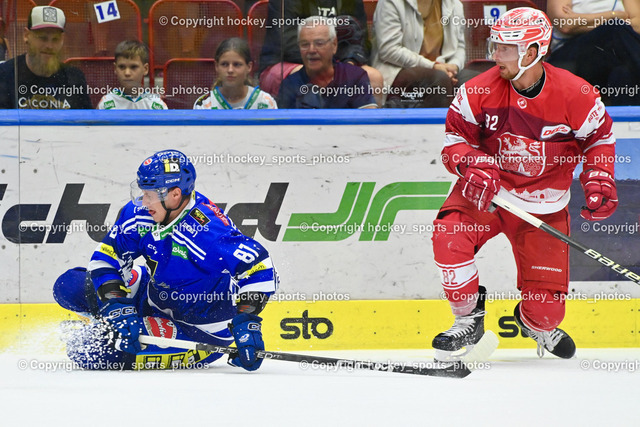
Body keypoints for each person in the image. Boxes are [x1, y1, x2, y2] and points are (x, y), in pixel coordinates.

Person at [430, 8, 617, 361]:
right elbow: (454, 138)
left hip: (545, 204)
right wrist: (471, 162)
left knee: (548, 314)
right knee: (449, 235)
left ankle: (534, 323)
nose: (495, 55)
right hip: (489, 194)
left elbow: (599, 138)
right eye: (495, 45)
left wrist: (600, 177)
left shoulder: (575, 94)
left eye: (505, 48)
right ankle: (467, 318)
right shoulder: (477, 91)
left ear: (532, 52)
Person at [53, 149, 279, 370]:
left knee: (87, 349)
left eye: (150, 195)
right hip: (153, 298)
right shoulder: (140, 214)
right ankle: (117, 323)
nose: (143, 201)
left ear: (174, 195)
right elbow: (107, 258)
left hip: (196, 331)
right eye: (143, 192)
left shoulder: (209, 232)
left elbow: (260, 267)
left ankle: (110, 332)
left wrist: (246, 322)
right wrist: (115, 304)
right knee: (68, 285)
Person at [258, 0, 384, 106]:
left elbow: (359, 39)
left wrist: (349, 62)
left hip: (334, 58)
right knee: (312, 75)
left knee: (372, 77)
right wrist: (330, 56)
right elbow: (288, 44)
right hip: (285, 62)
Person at [371, 0, 476, 108]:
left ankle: (463, 124)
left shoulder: (454, 4)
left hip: (442, 68)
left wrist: (454, 67)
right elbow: (389, 50)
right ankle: (438, 125)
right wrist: (433, 66)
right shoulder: (390, 2)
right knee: (439, 81)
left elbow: (460, 46)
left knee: (475, 80)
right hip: (398, 68)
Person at [546, 0, 640, 105]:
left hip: (612, 55)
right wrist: (614, 15)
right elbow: (565, 24)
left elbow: (637, 25)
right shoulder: (616, 25)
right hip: (570, 56)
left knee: (623, 73)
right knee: (615, 29)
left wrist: (583, 20)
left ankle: (626, 119)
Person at [0, 6, 91, 109]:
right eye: (42, 38)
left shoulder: (75, 77)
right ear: (26, 35)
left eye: (55, 39)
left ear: (62, 39)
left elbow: (87, 123)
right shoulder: (4, 75)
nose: (49, 46)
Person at [277, 16, 377, 109]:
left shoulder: (355, 77)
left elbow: (369, 123)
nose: (311, 50)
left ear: (334, 45)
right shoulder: (289, 85)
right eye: (305, 44)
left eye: (319, 43)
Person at [194, 38, 277, 109]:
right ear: (216, 66)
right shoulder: (204, 105)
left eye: (237, 64)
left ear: (249, 67)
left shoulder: (265, 102)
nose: (230, 70)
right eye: (224, 64)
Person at [97, 40, 167, 110]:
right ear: (115, 68)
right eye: (122, 67)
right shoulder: (105, 104)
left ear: (145, 69)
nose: (127, 73)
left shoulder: (157, 105)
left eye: (133, 67)